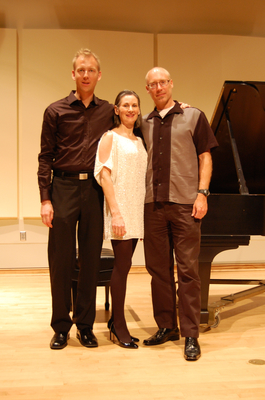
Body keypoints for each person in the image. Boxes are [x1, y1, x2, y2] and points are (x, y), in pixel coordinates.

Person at [37, 49, 114, 350]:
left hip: (94, 190)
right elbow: (45, 158)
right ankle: (60, 326)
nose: (85, 74)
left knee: (91, 261)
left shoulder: (108, 111)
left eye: (91, 70)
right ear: (73, 74)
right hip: (63, 189)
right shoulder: (54, 111)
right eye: (80, 70)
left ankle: (85, 325)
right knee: (61, 261)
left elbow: (135, 122)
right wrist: (45, 199)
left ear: (98, 75)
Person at [141, 67, 218, 361]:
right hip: (153, 205)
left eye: (162, 82)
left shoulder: (193, 116)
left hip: (186, 203)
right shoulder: (143, 122)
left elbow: (205, 156)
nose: (158, 87)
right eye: (152, 84)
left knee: (187, 271)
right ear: (147, 90)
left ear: (171, 84)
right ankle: (166, 327)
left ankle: (190, 334)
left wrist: (202, 192)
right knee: (158, 271)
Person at [94, 90, 147, 349]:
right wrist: (115, 212)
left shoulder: (140, 140)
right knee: (122, 267)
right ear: (116, 109)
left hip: (138, 210)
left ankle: (116, 322)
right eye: (125, 105)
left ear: (139, 110)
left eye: (134, 105)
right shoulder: (109, 138)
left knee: (126, 265)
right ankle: (119, 324)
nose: (130, 109)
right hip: (120, 210)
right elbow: (103, 175)